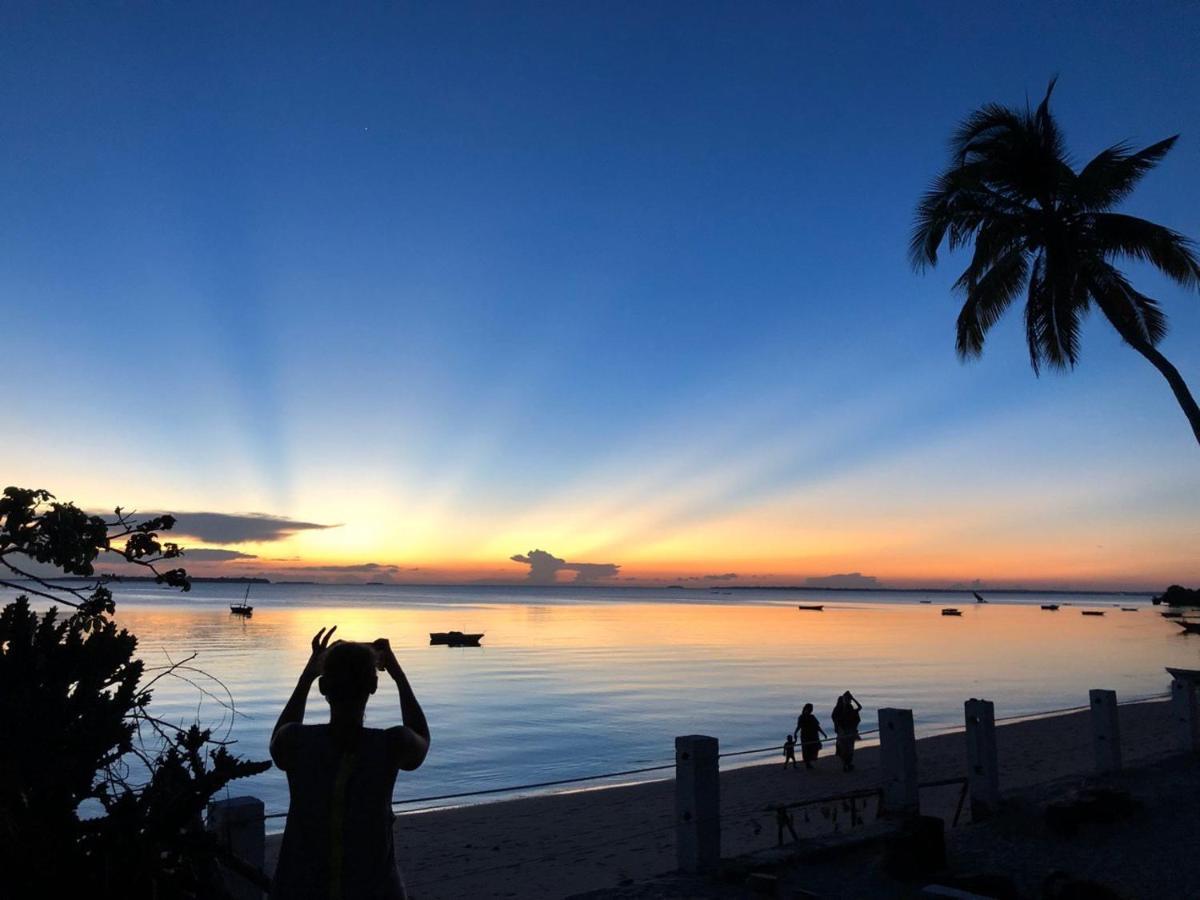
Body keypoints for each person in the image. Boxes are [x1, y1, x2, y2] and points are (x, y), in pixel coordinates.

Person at [270, 627, 431, 900]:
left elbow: (279, 737)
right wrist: (397, 673)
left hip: (299, 888)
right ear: (373, 685)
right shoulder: (391, 745)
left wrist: (308, 675)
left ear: (323, 687)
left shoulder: (296, 742)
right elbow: (421, 739)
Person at [831, 691, 863, 772]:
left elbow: (859, 707)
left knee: (850, 749)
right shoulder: (838, 709)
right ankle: (845, 765)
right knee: (843, 749)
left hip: (850, 731)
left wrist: (853, 699)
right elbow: (835, 719)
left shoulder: (849, 707)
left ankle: (848, 764)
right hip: (842, 732)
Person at [793, 703, 827, 770]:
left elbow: (817, 726)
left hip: (813, 735)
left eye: (811, 709)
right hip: (805, 736)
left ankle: (809, 762)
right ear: (805, 709)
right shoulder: (801, 717)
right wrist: (795, 733)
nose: (810, 710)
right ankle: (807, 764)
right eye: (809, 709)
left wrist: (823, 733)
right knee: (806, 750)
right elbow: (799, 726)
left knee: (814, 748)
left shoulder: (812, 717)